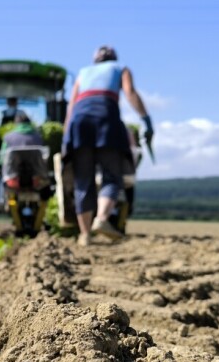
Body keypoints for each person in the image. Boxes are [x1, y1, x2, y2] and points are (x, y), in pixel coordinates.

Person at [63, 45, 153, 246]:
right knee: (112, 175)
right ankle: (102, 219)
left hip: (80, 124)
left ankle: (84, 235)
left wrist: (66, 135)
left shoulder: (83, 73)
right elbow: (129, 92)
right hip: (106, 121)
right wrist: (146, 119)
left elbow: (71, 105)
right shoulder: (121, 68)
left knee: (83, 179)